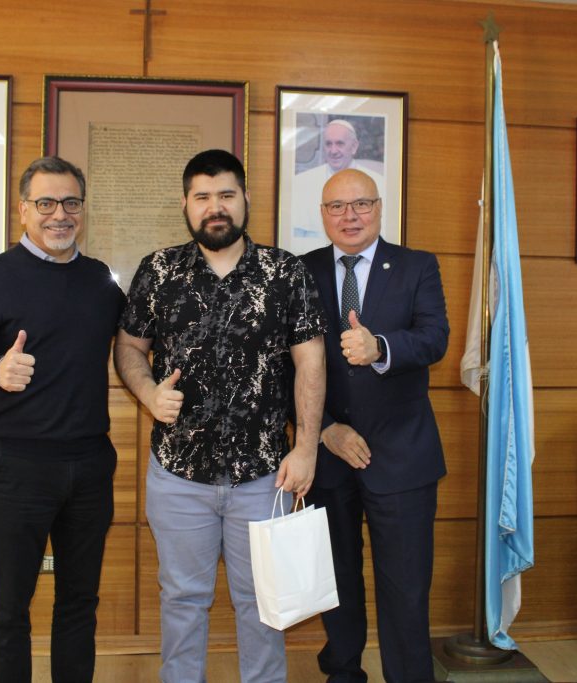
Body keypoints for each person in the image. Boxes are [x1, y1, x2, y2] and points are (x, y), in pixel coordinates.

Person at [114, 149, 327, 683]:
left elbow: (311, 362)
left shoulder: (285, 272)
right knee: (182, 599)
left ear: (245, 199)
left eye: (227, 195)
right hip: (178, 476)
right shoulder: (159, 270)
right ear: (185, 204)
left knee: (263, 603)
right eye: (203, 196)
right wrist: (148, 393)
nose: (216, 207)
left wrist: (305, 448)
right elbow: (129, 347)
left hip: (265, 476)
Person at [0, 156, 124, 683]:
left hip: (90, 467)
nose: (59, 214)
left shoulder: (101, 282)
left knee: (80, 602)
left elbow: (137, 347)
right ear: (23, 210)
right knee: (9, 606)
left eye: (70, 203)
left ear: (82, 210)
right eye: (45, 203)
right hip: (17, 467)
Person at [301, 169, 449, 683]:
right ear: (323, 215)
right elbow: (281, 364)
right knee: (336, 579)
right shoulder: (300, 271)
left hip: (402, 456)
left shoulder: (416, 266)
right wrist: (325, 429)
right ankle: (343, 674)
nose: (350, 216)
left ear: (380, 208)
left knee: (405, 588)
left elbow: (434, 338)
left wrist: (380, 346)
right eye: (337, 207)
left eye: (361, 203)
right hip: (328, 456)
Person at [291, 119, 386, 243]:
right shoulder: (302, 182)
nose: (333, 151)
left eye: (339, 144)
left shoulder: (378, 183)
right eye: (328, 144)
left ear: (354, 146)